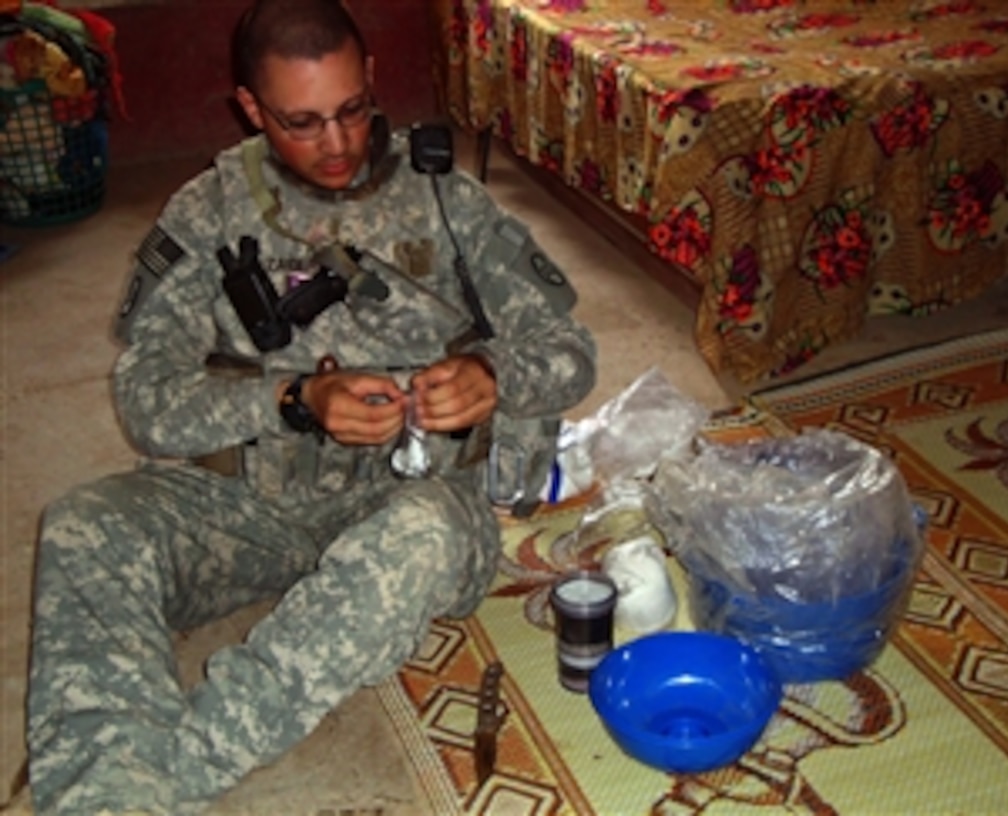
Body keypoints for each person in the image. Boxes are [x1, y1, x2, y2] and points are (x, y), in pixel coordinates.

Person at [22, 0, 596, 813]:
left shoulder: (447, 201)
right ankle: (103, 793)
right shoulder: (207, 213)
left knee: (421, 538)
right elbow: (147, 403)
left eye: (352, 111)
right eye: (301, 122)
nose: (337, 145)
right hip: (255, 510)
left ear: (369, 83)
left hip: (415, 504)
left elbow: (572, 353)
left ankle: (163, 777)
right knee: (86, 524)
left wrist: (492, 372)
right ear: (251, 110)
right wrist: (291, 398)